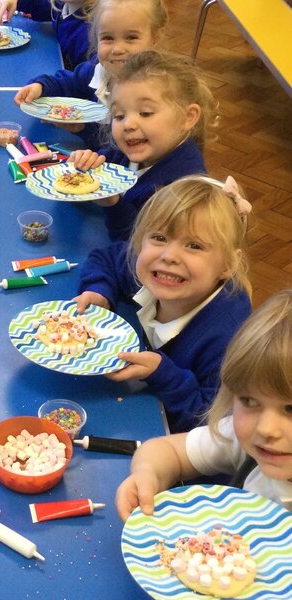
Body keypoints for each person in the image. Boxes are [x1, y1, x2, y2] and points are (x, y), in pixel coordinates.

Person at [74, 176, 252, 433]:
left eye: (194, 246)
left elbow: (212, 425)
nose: (169, 256)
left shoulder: (227, 339)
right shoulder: (151, 272)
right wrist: (100, 291)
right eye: (158, 237)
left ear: (227, 265)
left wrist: (162, 374)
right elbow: (108, 259)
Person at [115, 289, 292, 519]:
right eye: (249, 400)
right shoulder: (242, 441)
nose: (266, 428)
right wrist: (147, 476)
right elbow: (168, 451)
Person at [69, 49, 218, 242]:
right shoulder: (138, 151)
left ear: (188, 117)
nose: (128, 124)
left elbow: (139, 248)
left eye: (146, 113)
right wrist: (88, 163)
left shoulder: (179, 191)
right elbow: (108, 159)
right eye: (119, 116)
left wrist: (113, 204)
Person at [14, 0, 167, 149]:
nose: (118, 49)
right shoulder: (99, 70)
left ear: (155, 37)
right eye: (108, 38)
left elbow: (125, 149)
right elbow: (67, 82)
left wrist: (83, 130)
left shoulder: (153, 95)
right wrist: (40, 86)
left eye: (131, 37)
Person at [0, 0, 95, 70]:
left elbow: (86, 80)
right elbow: (39, 5)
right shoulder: (63, 4)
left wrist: (47, 85)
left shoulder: (87, 33)